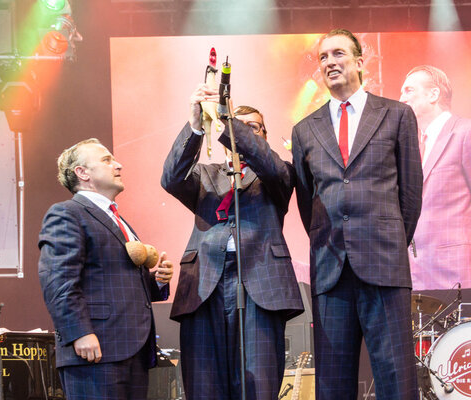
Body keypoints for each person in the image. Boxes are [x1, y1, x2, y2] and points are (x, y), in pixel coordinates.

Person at [291, 29, 423, 399]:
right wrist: (330, 239)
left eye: (338, 54)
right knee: (332, 383)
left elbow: (411, 192)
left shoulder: (397, 114)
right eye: (323, 57)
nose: (330, 62)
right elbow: (307, 201)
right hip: (331, 270)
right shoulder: (305, 129)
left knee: (396, 378)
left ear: (359, 61)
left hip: (384, 262)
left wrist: (392, 238)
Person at [161, 85, 304, 399]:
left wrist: (230, 121)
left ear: (264, 136)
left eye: (253, 128)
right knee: (203, 386)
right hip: (204, 287)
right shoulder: (204, 175)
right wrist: (198, 125)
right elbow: (170, 178)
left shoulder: (278, 175)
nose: (242, 133)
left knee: (258, 387)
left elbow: (270, 165)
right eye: (234, 126)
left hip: (260, 283)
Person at [38, 138, 173, 400]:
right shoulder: (67, 213)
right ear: (82, 172)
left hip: (130, 348)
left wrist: (155, 281)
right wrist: (80, 333)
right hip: (94, 348)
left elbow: (116, 279)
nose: (118, 165)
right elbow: (57, 280)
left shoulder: (118, 219)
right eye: (107, 160)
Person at [399, 65, 471, 290]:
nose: (401, 98)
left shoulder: (465, 132)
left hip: (456, 270)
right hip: (416, 274)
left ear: (434, 94)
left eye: (409, 90)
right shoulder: (412, 144)